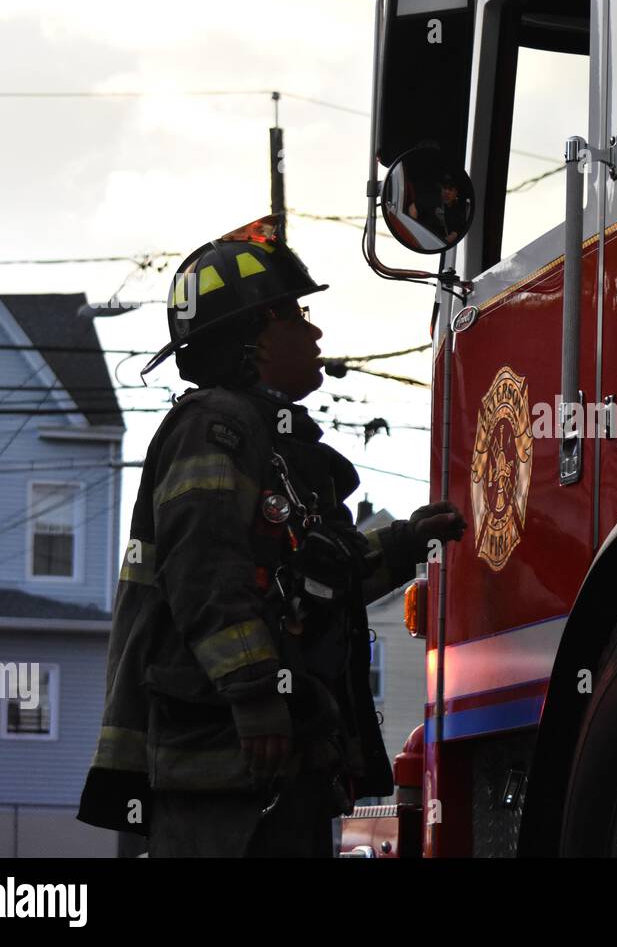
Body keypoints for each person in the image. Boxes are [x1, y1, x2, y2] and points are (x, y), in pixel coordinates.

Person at [76, 215, 465, 856]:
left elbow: (311, 578)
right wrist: (258, 699)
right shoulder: (214, 430)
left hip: (276, 766)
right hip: (223, 768)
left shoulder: (274, 445)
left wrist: (403, 543)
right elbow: (206, 576)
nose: (314, 330)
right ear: (252, 337)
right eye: (295, 316)